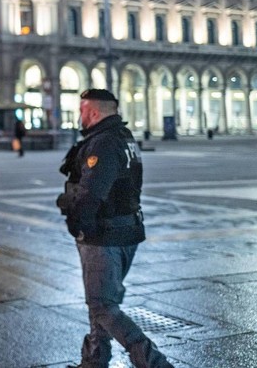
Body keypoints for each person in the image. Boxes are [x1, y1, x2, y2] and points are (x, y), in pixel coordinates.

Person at [57, 89, 174, 368]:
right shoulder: (124, 138)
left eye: (83, 110)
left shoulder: (103, 143)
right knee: (101, 302)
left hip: (104, 235)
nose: (81, 115)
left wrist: (78, 223)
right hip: (124, 230)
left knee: (102, 306)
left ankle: (152, 361)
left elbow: (92, 193)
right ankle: (94, 361)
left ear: (94, 112)